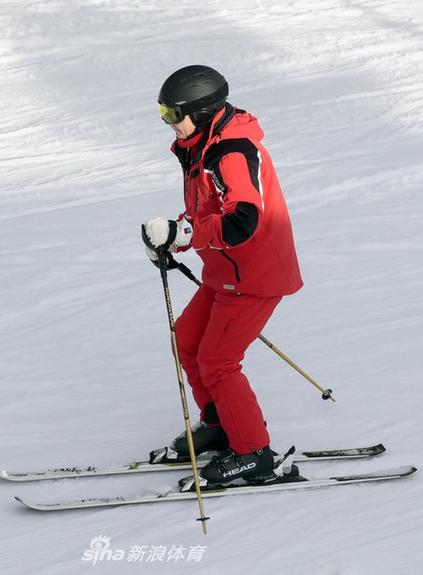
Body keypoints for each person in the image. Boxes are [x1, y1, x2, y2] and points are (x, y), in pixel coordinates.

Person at [143, 65, 303, 486]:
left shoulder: (231, 151)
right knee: (188, 340)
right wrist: (175, 237)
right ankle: (218, 425)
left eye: (172, 113)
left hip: (255, 275)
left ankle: (254, 453)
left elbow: (242, 220)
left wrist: (189, 233)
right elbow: (206, 210)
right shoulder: (201, 144)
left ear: (200, 111)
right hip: (224, 271)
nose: (168, 123)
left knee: (218, 361)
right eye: (163, 112)